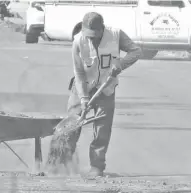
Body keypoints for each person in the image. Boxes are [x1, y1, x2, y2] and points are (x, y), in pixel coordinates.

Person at [66, 12, 142, 177]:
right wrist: (84, 98)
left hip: (106, 88)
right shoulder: (78, 40)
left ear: (102, 29)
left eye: (95, 35)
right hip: (82, 87)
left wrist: (121, 64)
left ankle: (97, 167)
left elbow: (136, 51)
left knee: (102, 130)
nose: (91, 39)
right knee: (71, 126)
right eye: (89, 35)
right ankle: (63, 163)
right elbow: (78, 72)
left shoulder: (116, 35)